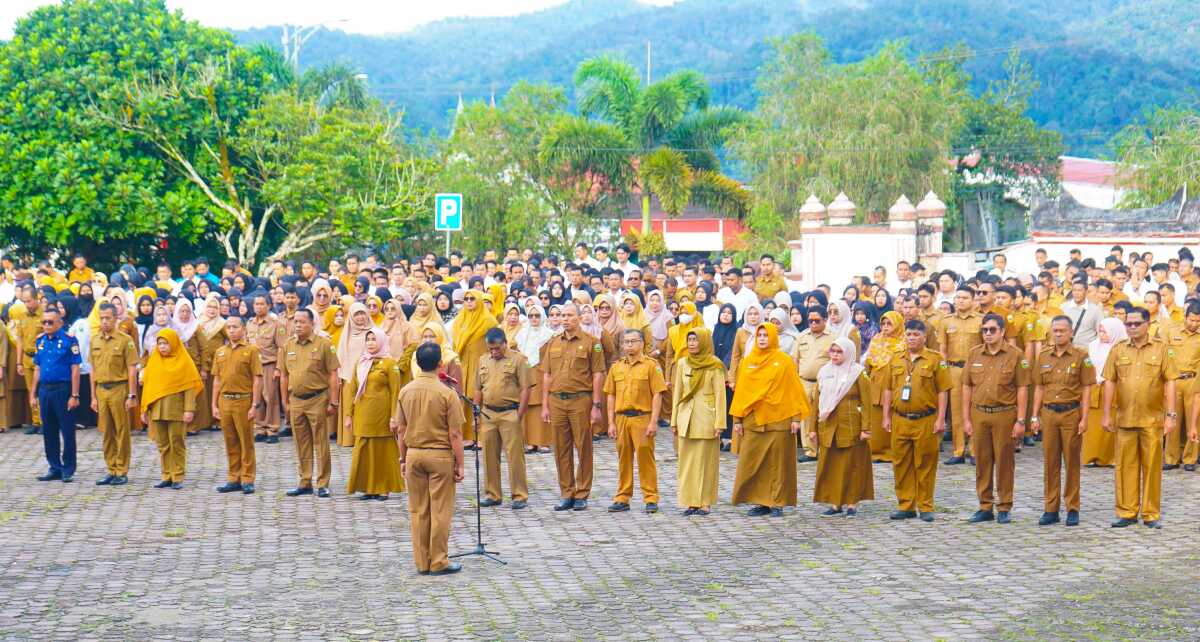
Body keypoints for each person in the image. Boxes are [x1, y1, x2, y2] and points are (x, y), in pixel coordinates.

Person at [1101, 306, 1181, 528]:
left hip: (1152, 420)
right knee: (1125, 467)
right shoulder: (1118, 350)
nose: (1132, 327)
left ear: (1148, 324)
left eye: (1137, 323)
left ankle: (1150, 513)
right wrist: (1107, 414)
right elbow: (1110, 381)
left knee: (1152, 467)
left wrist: (1171, 415)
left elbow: (1171, 382)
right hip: (1125, 419)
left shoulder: (1162, 349)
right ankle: (1126, 512)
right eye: (1128, 324)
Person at [396, 343, 466, 576]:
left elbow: (400, 429)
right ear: (440, 364)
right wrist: (460, 463)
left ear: (417, 363)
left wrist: (402, 458)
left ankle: (421, 561)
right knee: (440, 510)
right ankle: (438, 560)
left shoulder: (406, 391)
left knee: (418, 510)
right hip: (439, 455)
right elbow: (455, 433)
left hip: (414, 453)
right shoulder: (447, 393)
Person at [730, 323, 810, 517]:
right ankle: (760, 501)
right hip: (753, 420)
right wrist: (738, 421)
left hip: (780, 419)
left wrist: (796, 418)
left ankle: (777, 502)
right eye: (760, 335)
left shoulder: (784, 361)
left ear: (774, 337)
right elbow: (741, 392)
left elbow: (793, 391)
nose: (763, 338)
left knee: (778, 463)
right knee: (754, 461)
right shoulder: (748, 362)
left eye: (767, 335)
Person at [962, 313, 1030, 524]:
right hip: (980, 412)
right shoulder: (974, 354)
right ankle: (984, 505)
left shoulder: (1015, 355)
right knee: (981, 461)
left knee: (1004, 461)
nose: (988, 334)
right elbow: (966, 386)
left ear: (1002, 332)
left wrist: (1020, 420)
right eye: (985, 330)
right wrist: (966, 418)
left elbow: (1022, 388)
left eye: (993, 330)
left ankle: (1004, 506)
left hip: (1005, 413)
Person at [882, 319, 950, 522]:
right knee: (901, 463)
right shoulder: (895, 359)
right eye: (909, 334)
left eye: (916, 335)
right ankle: (905, 505)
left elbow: (943, 391)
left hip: (925, 419)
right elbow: (887, 389)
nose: (912, 338)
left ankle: (926, 505)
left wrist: (940, 419)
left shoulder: (935, 359)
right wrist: (886, 416)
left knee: (926, 463)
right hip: (900, 418)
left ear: (924, 337)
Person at [540, 303, 606, 511]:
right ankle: (566, 492)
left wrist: (596, 405)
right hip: (557, 400)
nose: (565, 319)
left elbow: (598, 374)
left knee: (583, 446)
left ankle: (582, 492)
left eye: (569, 315)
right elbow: (547, 375)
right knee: (560, 448)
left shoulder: (592, 343)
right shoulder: (553, 343)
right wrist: (545, 405)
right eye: (562, 316)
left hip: (581, 400)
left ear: (579, 317)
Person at [1031, 315, 1094, 526]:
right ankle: (1051, 508)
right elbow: (1039, 387)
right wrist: (1034, 415)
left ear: (1071, 333)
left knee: (1072, 462)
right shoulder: (1043, 356)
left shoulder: (1080, 356)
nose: (1058, 334)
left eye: (1062, 331)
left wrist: (1084, 418)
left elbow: (1087, 388)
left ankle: (1072, 507)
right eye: (1055, 331)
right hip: (1049, 413)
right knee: (1051, 462)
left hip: (1071, 413)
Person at [604, 329, 667, 514]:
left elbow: (657, 394)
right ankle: (622, 497)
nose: (629, 345)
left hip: (642, 417)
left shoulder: (651, 366)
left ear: (641, 343)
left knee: (645, 458)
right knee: (623, 459)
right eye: (626, 342)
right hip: (622, 417)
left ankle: (650, 497)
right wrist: (611, 423)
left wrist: (653, 421)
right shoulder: (616, 367)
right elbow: (611, 396)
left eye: (633, 341)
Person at [810, 337, 874, 516]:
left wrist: (866, 428)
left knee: (852, 465)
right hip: (828, 426)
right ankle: (835, 503)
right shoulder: (824, 372)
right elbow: (816, 402)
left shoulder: (858, 373)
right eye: (833, 351)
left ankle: (852, 503)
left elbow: (867, 402)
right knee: (831, 465)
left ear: (848, 353)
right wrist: (812, 428)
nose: (835, 355)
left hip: (851, 425)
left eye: (839, 352)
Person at [279, 308, 340, 498]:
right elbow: (283, 375)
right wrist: (285, 403)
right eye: (295, 321)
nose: (298, 325)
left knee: (321, 442)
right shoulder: (288, 345)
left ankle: (322, 483)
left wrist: (334, 402)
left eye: (302, 321)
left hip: (317, 399)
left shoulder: (324, 344)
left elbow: (333, 374)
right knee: (301, 442)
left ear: (312, 323)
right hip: (296, 400)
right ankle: (304, 481)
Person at [474, 327, 531, 509]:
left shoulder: (519, 360)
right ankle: (492, 493)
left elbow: (526, 388)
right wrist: (477, 411)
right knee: (489, 455)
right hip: (488, 413)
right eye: (490, 349)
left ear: (505, 343)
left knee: (514, 456)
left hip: (509, 412)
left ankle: (519, 495)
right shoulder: (483, 360)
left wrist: (519, 414)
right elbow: (477, 388)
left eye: (497, 348)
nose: (494, 352)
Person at [344, 327, 404, 500]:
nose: (370, 343)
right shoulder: (361, 361)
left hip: (382, 415)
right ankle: (368, 487)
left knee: (383, 452)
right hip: (363, 414)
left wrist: (395, 416)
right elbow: (352, 389)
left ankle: (384, 488)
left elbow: (396, 392)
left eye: (374, 339)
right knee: (364, 450)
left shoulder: (390, 363)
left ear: (381, 341)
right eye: (368, 339)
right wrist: (349, 414)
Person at [671, 327, 726, 515]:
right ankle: (690, 501)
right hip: (686, 418)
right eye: (690, 340)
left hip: (707, 418)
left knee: (706, 462)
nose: (692, 343)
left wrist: (720, 423)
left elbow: (720, 395)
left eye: (695, 340)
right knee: (687, 463)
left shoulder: (715, 365)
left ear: (703, 341)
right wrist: (674, 420)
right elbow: (677, 392)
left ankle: (705, 501)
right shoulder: (682, 363)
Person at [140, 328, 202, 489]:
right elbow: (148, 387)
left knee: (177, 442)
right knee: (162, 443)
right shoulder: (154, 361)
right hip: (157, 410)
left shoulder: (184, 361)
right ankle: (166, 474)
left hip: (176, 410)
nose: (162, 347)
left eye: (165, 343)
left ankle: (178, 475)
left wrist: (189, 409)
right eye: (160, 343)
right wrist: (144, 409)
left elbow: (189, 387)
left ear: (174, 343)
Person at [211, 315, 264, 494]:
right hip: (225, 400)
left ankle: (247, 478)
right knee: (230, 441)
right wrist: (214, 405)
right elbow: (216, 380)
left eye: (235, 327)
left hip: (243, 400)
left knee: (246, 441)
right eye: (229, 327)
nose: (232, 330)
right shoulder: (220, 351)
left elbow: (257, 379)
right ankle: (234, 476)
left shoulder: (251, 350)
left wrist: (254, 404)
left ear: (243, 329)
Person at [90, 303, 138, 486]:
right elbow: (93, 370)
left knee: (122, 430)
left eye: (108, 317)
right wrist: (93, 396)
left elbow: (131, 369)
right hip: (102, 389)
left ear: (116, 318)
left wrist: (132, 395)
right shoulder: (95, 340)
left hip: (119, 388)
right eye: (101, 318)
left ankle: (121, 469)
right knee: (106, 431)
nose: (104, 321)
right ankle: (111, 468)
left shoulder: (125, 340)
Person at [31, 308, 82, 482]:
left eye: (50, 322)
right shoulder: (40, 341)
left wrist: (74, 395)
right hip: (45, 390)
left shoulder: (69, 340)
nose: (46, 325)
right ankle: (54, 466)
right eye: (44, 322)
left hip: (63, 389)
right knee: (49, 431)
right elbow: (37, 368)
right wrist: (33, 393)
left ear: (60, 323)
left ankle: (68, 468)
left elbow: (75, 368)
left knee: (67, 431)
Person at [937, 286, 982, 465]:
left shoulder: (980, 321)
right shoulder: (946, 321)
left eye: (964, 297)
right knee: (955, 411)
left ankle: (974, 451)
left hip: (975, 369)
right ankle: (958, 450)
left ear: (973, 300)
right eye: (957, 298)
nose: (960, 301)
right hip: (954, 369)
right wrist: (943, 370)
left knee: (974, 409)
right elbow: (943, 349)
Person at [451, 289, 497, 450]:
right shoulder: (459, 320)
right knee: (464, 399)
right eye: (466, 299)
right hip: (463, 364)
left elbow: (495, 344)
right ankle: (467, 436)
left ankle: (482, 437)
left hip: (482, 364)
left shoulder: (489, 321)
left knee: (481, 399)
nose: (469, 301)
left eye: (472, 298)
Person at [791, 305, 835, 463]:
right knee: (805, 416)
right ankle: (809, 450)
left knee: (823, 416)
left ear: (825, 319)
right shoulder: (802, 336)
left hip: (824, 383)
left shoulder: (833, 338)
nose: (813, 324)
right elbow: (795, 359)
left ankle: (824, 448)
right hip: (804, 382)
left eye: (817, 321)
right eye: (810, 321)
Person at [1160, 302, 1200, 471]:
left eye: (1198, 321)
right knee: (1172, 418)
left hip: (1194, 380)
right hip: (1173, 381)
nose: (1194, 324)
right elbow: (1162, 355)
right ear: (1185, 316)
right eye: (1191, 320)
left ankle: (1190, 459)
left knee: (1194, 420)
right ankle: (1171, 457)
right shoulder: (1171, 331)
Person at [862, 310, 905, 463]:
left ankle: (893, 451)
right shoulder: (876, 340)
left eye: (889, 323)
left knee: (893, 417)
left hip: (895, 383)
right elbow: (868, 363)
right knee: (876, 418)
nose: (886, 327)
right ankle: (876, 451)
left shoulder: (904, 342)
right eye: (883, 323)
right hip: (875, 382)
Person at [247, 294, 288, 443]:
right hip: (253, 367)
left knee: (270, 397)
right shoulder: (250, 324)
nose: (258, 307)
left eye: (262, 304)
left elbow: (282, 347)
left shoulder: (276, 324)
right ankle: (260, 428)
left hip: (269, 364)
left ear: (269, 306)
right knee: (257, 398)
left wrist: (278, 368)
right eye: (256, 304)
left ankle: (272, 429)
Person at [514, 303, 554, 453]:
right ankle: (529, 441)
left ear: (542, 316)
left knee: (542, 406)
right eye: (531, 316)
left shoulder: (549, 335)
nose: (534, 319)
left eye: (537, 315)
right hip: (525, 373)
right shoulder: (522, 334)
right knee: (527, 406)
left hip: (542, 372)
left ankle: (543, 441)